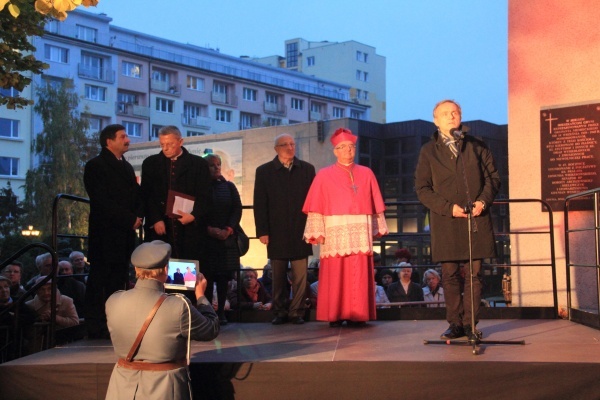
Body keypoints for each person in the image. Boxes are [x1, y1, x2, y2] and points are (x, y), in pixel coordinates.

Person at [414, 99, 500, 341]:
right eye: (445, 113)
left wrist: (482, 201)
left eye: (455, 112)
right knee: (450, 274)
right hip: (446, 219)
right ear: (436, 120)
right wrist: (448, 208)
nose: (451, 116)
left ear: (460, 117)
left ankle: (471, 325)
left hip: (476, 218)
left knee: (474, 275)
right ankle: (455, 324)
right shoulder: (428, 150)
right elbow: (422, 188)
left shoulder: (476, 145)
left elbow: (493, 178)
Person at [105, 240, 219, 400]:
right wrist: (201, 296)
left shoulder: (113, 300)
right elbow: (210, 329)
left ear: (137, 269)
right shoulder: (178, 305)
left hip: (121, 387)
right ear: (166, 269)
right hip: (164, 388)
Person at [303, 127, 388, 327]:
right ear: (335, 151)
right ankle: (335, 313)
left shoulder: (367, 173)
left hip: (360, 229)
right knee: (335, 271)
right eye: (343, 147)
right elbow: (315, 206)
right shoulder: (323, 175)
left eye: (351, 147)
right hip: (335, 228)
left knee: (358, 270)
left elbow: (375, 204)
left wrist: (377, 227)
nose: (348, 151)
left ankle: (358, 314)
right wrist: (318, 231)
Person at [84, 124, 143, 339]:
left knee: (118, 279)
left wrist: (139, 216)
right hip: (105, 233)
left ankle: (115, 322)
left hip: (124, 234)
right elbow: (101, 201)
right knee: (100, 278)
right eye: (123, 136)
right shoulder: (95, 166)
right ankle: (95, 324)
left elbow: (136, 194)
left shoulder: (126, 167)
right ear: (109, 141)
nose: (128, 140)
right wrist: (130, 219)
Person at [254, 133, 315, 325]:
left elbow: (314, 201)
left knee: (300, 276)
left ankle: (296, 312)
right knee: (277, 275)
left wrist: (314, 228)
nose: (290, 147)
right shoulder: (264, 171)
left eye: (292, 144)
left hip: (301, 228)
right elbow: (260, 203)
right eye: (285, 144)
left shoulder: (307, 169)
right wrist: (262, 231)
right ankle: (279, 311)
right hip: (276, 230)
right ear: (276, 149)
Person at [141, 125, 211, 262]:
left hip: (189, 227)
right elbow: (146, 194)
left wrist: (193, 215)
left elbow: (205, 195)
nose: (165, 148)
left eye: (170, 144)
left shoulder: (198, 164)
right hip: (161, 225)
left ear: (180, 142)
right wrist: (155, 219)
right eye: (162, 144)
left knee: (190, 265)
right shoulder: (151, 163)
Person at [202, 153, 242, 326]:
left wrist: (228, 229)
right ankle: (209, 312)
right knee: (208, 277)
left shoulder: (229, 186)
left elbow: (237, 209)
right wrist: (208, 229)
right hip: (207, 239)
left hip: (226, 239)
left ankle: (222, 314)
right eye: (212, 165)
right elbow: (197, 210)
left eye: (218, 164)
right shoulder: (200, 187)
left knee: (224, 277)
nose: (217, 167)